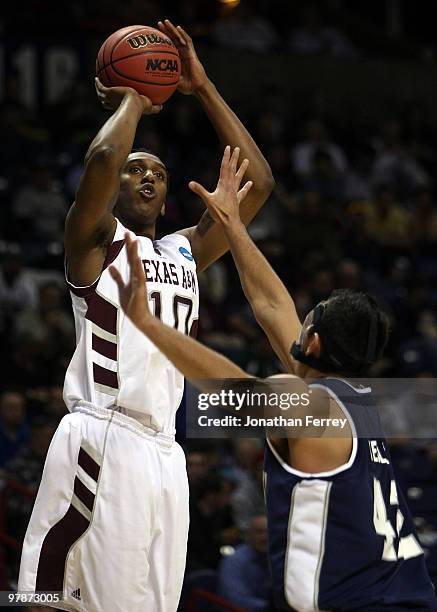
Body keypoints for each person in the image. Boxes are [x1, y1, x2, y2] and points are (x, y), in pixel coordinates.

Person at [17, 19, 274, 612]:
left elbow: (259, 182)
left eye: (157, 172)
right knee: (43, 593)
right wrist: (136, 95)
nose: (147, 176)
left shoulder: (183, 250)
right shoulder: (93, 241)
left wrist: (203, 87)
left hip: (165, 452)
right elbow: (106, 152)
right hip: (102, 433)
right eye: (137, 170)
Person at [112, 146, 437, 611]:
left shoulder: (306, 404)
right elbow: (271, 307)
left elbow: (238, 390)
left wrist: (149, 324)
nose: (297, 321)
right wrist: (232, 226)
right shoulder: (355, 403)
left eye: (308, 320)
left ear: (316, 342)